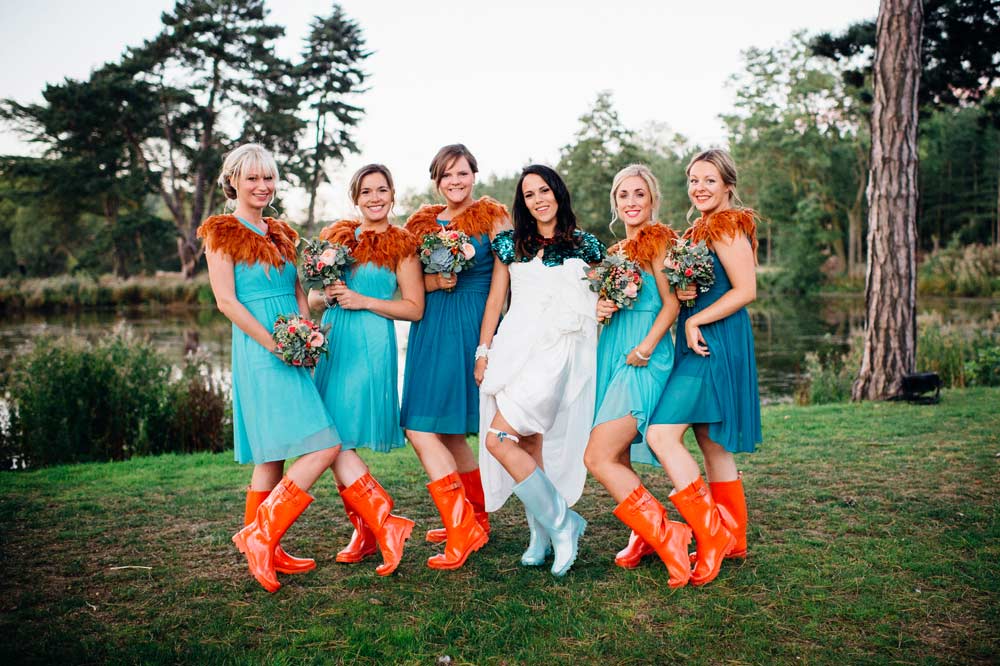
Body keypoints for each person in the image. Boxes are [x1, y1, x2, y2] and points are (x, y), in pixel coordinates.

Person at [197, 143, 341, 593]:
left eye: (269, 178)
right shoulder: (221, 232)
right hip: (261, 349)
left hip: (293, 344)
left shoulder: (281, 233)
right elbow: (226, 301)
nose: (262, 186)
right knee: (324, 446)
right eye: (253, 178)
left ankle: (269, 545)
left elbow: (297, 290)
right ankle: (260, 536)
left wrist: (306, 330)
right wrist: (275, 343)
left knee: (271, 456)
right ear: (233, 181)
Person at [476, 164, 605, 577]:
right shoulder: (510, 244)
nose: (539, 199)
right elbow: (496, 301)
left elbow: (608, 295)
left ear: (558, 193)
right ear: (523, 202)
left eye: (545, 190)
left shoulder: (586, 246)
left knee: (499, 439)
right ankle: (543, 533)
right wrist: (483, 350)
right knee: (528, 443)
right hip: (515, 349)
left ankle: (564, 523)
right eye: (530, 194)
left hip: (558, 352)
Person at [644, 148, 762, 586]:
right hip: (700, 338)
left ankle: (711, 535)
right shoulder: (698, 230)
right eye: (694, 180)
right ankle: (733, 537)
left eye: (709, 180)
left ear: (728, 185)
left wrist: (694, 317)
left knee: (661, 434)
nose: (699, 187)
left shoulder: (728, 225)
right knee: (711, 440)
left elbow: (746, 289)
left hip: (716, 340)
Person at [308, 164, 424, 576]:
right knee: (335, 437)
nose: (374, 198)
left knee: (338, 438)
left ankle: (381, 524)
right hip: (334, 339)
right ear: (355, 197)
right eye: (366, 191)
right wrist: (327, 297)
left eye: (382, 190)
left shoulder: (402, 245)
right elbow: (316, 294)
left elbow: (414, 308)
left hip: (371, 343)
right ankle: (370, 530)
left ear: (392, 194)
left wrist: (363, 300)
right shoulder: (337, 239)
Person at [582, 164, 693, 587]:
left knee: (598, 455)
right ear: (615, 202)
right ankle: (645, 532)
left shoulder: (660, 240)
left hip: (645, 353)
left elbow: (671, 304)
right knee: (618, 454)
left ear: (652, 201)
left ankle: (669, 534)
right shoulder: (616, 252)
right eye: (624, 195)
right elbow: (611, 301)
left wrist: (647, 347)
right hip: (611, 351)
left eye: (639, 195)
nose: (631, 202)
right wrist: (601, 309)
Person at [400, 145, 509, 568]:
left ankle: (464, 523)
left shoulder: (494, 217)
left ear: (474, 175)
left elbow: (508, 279)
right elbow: (408, 285)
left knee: (421, 426)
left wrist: (489, 342)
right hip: (430, 326)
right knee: (443, 431)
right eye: (446, 175)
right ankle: (474, 519)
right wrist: (433, 280)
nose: (455, 182)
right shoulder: (422, 224)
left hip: (471, 324)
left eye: (462, 173)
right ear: (436, 181)